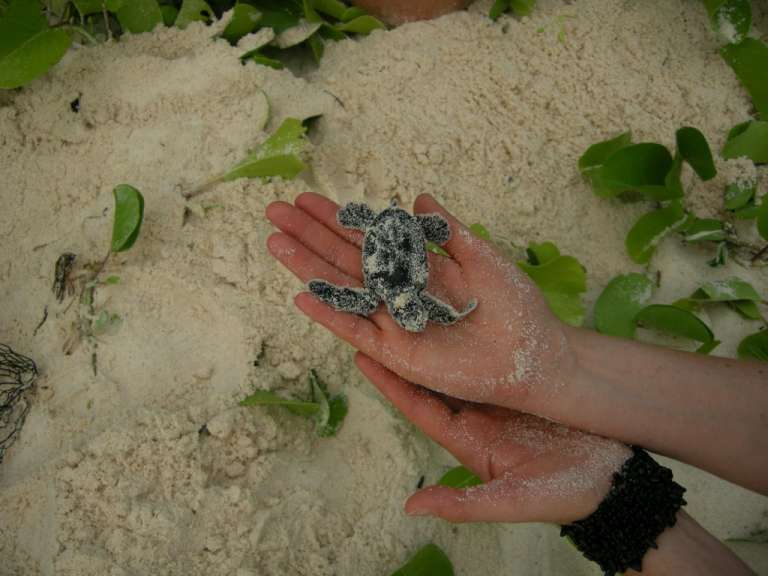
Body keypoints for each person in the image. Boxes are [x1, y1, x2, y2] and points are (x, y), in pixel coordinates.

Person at [265, 192, 768, 576]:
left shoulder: (409, 298)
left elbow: (420, 307)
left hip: (396, 257)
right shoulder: (389, 292)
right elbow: (385, 297)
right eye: (412, 314)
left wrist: (617, 505)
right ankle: (389, 227)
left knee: (374, 287)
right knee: (362, 287)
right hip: (388, 250)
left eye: (419, 314)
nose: (416, 321)